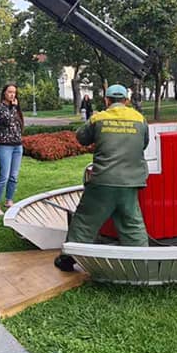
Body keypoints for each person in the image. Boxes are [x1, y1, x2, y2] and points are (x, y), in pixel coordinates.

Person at [55, 83, 149, 271]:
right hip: (131, 181)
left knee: (85, 220)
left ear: (107, 100)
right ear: (126, 101)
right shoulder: (140, 119)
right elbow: (144, 144)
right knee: (131, 222)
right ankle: (142, 262)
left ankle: (69, 259)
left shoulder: (99, 118)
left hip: (103, 180)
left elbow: (81, 138)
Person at [0, 83, 24, 216]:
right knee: (3, 176)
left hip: (17, 146)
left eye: (14, 92)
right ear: (4, 93)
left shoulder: (15, 109)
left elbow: (18, 125)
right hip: (5, 146)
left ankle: (9, 200)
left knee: (14, 176)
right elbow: (8, 120)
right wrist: (14, 107)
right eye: (10, 92)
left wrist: (15, 108)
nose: (12, 95)